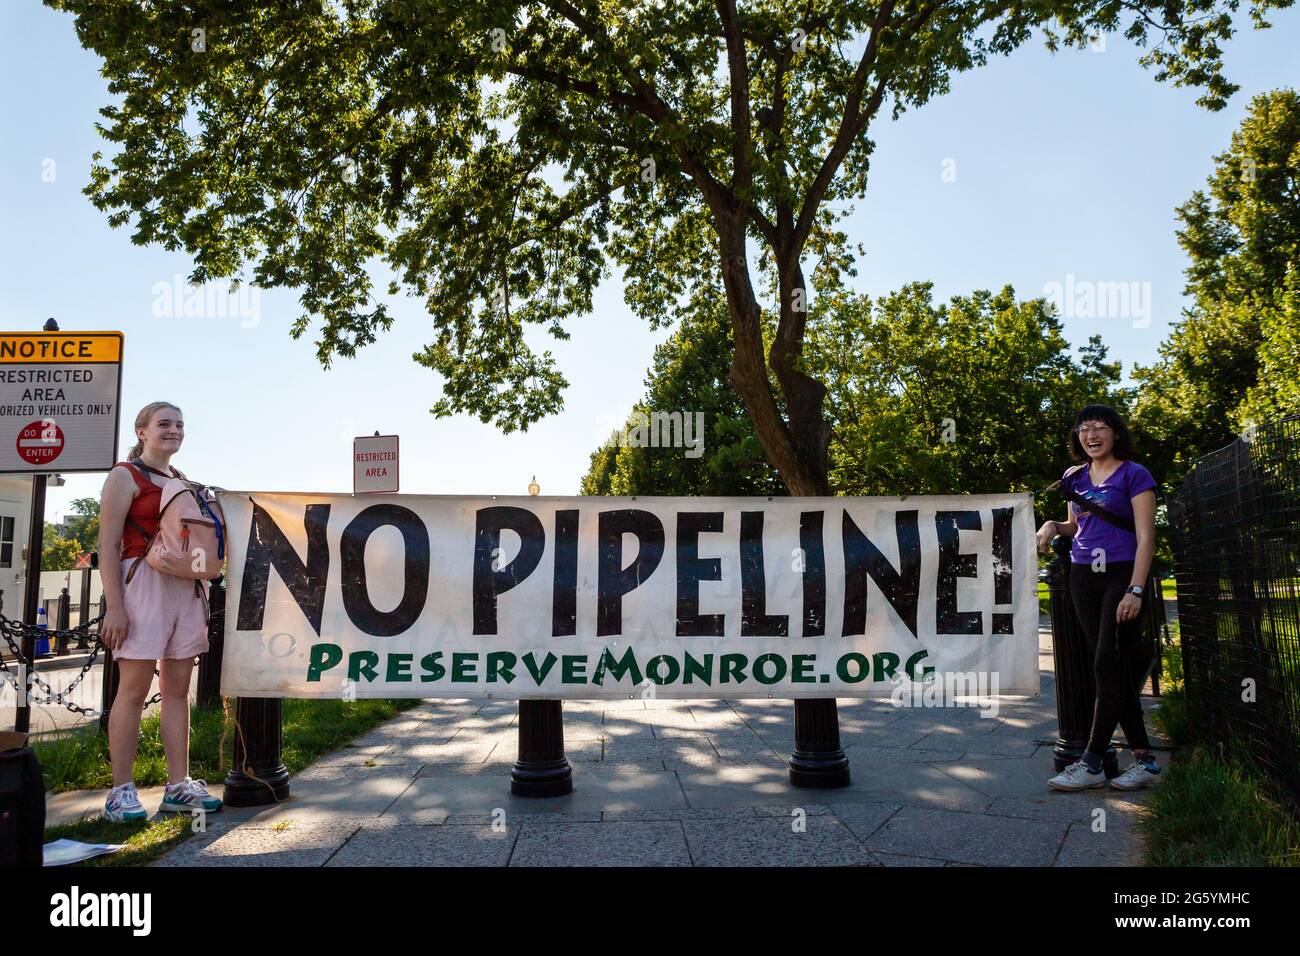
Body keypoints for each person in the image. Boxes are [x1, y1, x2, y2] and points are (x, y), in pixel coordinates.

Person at [98, 402, 223, 821]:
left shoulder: (184, 481)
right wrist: (115, 607)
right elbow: (107, 545)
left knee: (177, 689)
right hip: (141, 583)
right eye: (164, 424)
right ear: (141, 432)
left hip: (185, 585)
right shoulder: (124, 476)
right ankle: (121, 790)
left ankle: (178, 786)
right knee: (132, 688)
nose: (174, 431)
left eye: (180, 425)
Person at [1036, 404, 1162, 791]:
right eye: (1083, 429)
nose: (1090, 435)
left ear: (1116, 433)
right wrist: (1052, 526)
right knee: (1111, 670)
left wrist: (1136, 590)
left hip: (1121, 575)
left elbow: (1146, 538)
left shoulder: (1134, 475)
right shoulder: (1074, 477)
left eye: (1099, 427)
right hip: (1082, 577)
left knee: (1107, 663)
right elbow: (1076, 526)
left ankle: (1090, 761)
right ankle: (1144, 760)